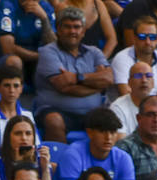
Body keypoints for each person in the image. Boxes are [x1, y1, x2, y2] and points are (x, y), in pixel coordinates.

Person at [32, 7, 111, 142]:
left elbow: (108, 78)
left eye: (77, 27)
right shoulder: (47, 52)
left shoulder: (94, 52)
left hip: (91, 113)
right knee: (54, 121)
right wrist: (96, 87)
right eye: (67, 27)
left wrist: (76, 77)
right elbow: (63, 86)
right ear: (58, 29)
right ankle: (57, 162)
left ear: (83, 31)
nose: (72, 31)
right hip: (56, 110)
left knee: (111, 120)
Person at [111, 17, 157, 109]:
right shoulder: (122, 58)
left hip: (155, 111)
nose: (148, 42)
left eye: (152, 37)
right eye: (142, 37)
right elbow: (128, 96)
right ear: (134, 38)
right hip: (126, 110)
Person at [111, 60, 157, 138]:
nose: (144, 80)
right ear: (129, 82)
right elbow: (120, 144)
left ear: (153, 82)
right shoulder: (118, 108)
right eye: (138, 76)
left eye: (148, 76)